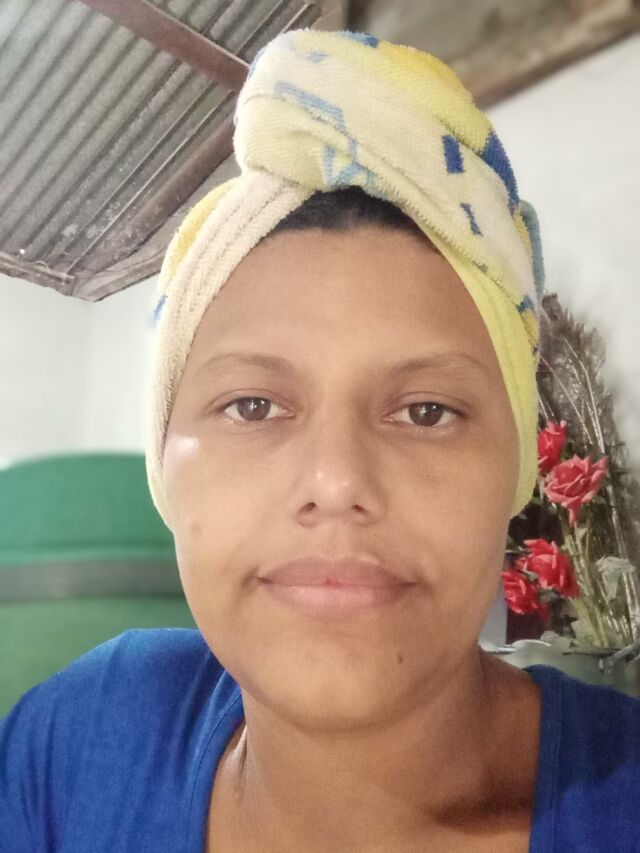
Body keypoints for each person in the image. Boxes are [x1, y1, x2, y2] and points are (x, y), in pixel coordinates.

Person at [2, 27, 640, 853]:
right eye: (254, 405)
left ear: (516, 466)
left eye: (426, 411)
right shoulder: (75, 743)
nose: (337, 481)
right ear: (164, 464)